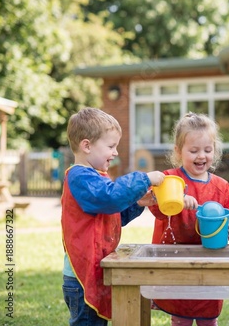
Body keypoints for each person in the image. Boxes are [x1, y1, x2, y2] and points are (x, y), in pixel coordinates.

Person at [61, 107, 166, 325]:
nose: (115, 152)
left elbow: (111, 216)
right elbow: (109, 199)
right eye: (110, 146)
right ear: (87, 146)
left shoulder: (95, 177)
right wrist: (144, 179)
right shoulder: (80, 177)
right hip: (81, 278)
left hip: (96, 269)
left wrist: (137, 203)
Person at [149, 112, 229, 326]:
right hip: (176, 261)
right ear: (178, 151)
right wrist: (176, 198)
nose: (201, 156)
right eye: (194, 150)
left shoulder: (221, 187)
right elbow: (156, 207)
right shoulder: (170, 179)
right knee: (180, 318)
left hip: (209, 263)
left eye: (207, 150)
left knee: (208, 317)